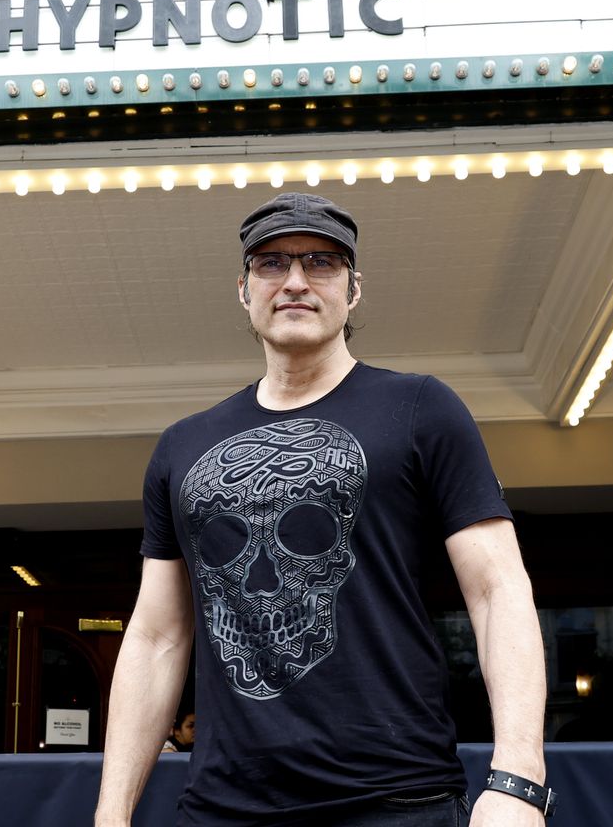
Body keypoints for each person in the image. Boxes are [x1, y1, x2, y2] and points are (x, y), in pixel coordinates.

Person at [93, 192, 550, 827]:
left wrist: (519, 779)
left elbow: (499, 591)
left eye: (322, 263)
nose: (296, 282)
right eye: (272, 264)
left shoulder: (421, 409)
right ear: (244, 288)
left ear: (354, 289)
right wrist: (111, 815)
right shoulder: (183, 446)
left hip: (394, 802)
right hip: (224, 808)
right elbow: (156, 635)